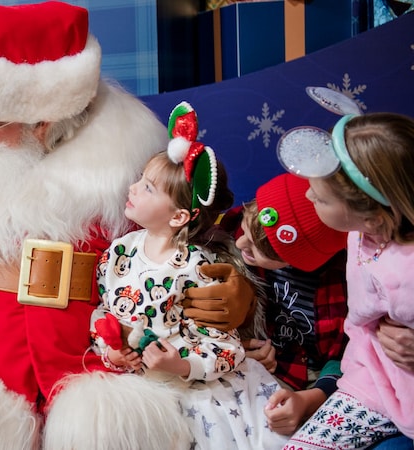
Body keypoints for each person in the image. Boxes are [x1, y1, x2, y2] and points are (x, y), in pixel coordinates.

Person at [0, 2, 256, 449]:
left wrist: (239, 286)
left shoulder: (129, 159)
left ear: (45, 121)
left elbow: (196, 221)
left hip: (89, 356)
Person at [88, 102, 287, 450]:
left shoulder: (197, 268)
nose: (132, 188)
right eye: (139, 180)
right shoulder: (119, 252)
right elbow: (104, 314)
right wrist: (112, 351)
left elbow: (226, 349)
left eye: (148, 187)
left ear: (180, 216)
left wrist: (180, 364)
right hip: (136, 386)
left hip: (191, 390)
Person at [278, 112, 414, 448]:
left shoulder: (406, 271)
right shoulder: (357, 235)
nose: (309, 198)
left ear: (373, 218)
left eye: (322, 198)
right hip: (367, 379)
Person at [227, 173, 350, 436]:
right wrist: (232, 347)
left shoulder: (341, 286)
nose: (240, 244)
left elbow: (347, 356)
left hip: (314, 384)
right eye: (245, 230)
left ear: (294, 261)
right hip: (244, 366)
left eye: (255, 252)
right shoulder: (231, 229)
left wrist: (310, 400)